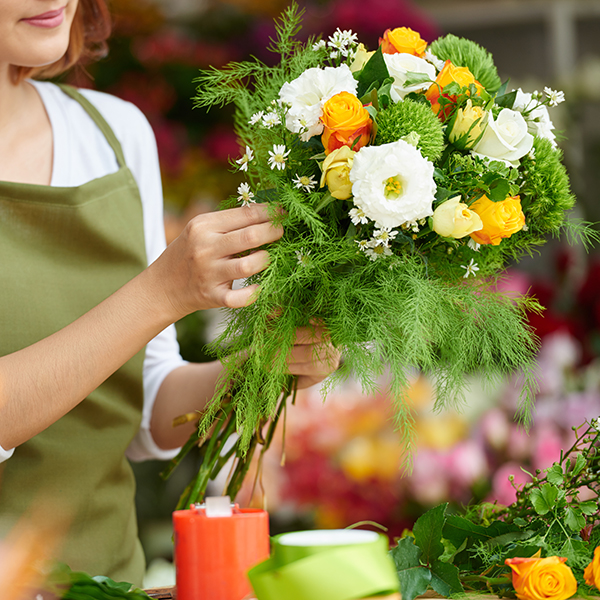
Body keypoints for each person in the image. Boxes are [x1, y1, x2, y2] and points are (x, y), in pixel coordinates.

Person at [0, 0, 339, 586]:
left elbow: (149, 408)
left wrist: (258, 368)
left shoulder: (112, 134)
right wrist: (163, 292)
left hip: (109, 585)